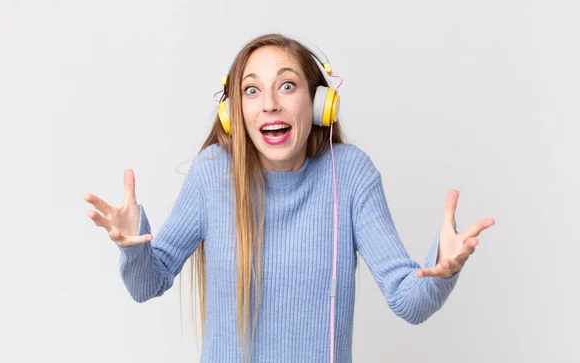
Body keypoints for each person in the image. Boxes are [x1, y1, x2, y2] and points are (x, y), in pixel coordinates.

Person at [84, 33, 495, 363]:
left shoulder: (349, 173)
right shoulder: (214, 173)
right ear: (234, 112)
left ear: (319, 103)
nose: (270, 104)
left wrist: (442, 267)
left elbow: (409, 301)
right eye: (251, 90)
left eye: (287, 85)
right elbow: (146, 284)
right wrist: (134, 243)